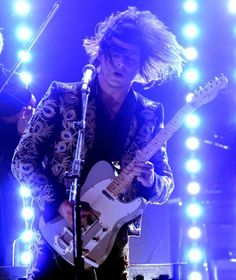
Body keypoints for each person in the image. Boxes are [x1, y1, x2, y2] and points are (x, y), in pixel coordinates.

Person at [12, 6, 185, 280]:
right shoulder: (63, 96)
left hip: (110, 245)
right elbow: (22, 160)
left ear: (142, 64)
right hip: (56, 236)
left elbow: (166, 185)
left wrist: (152, 182)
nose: (119, 63)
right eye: (113, 53)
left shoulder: (150, 113)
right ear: (100, 54)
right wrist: (58, 201)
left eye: (129, 57)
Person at [0, 29, 36, 265]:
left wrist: (23, 127)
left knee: (5, 233)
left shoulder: (11, 80)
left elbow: (28, 103)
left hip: (3, 170)